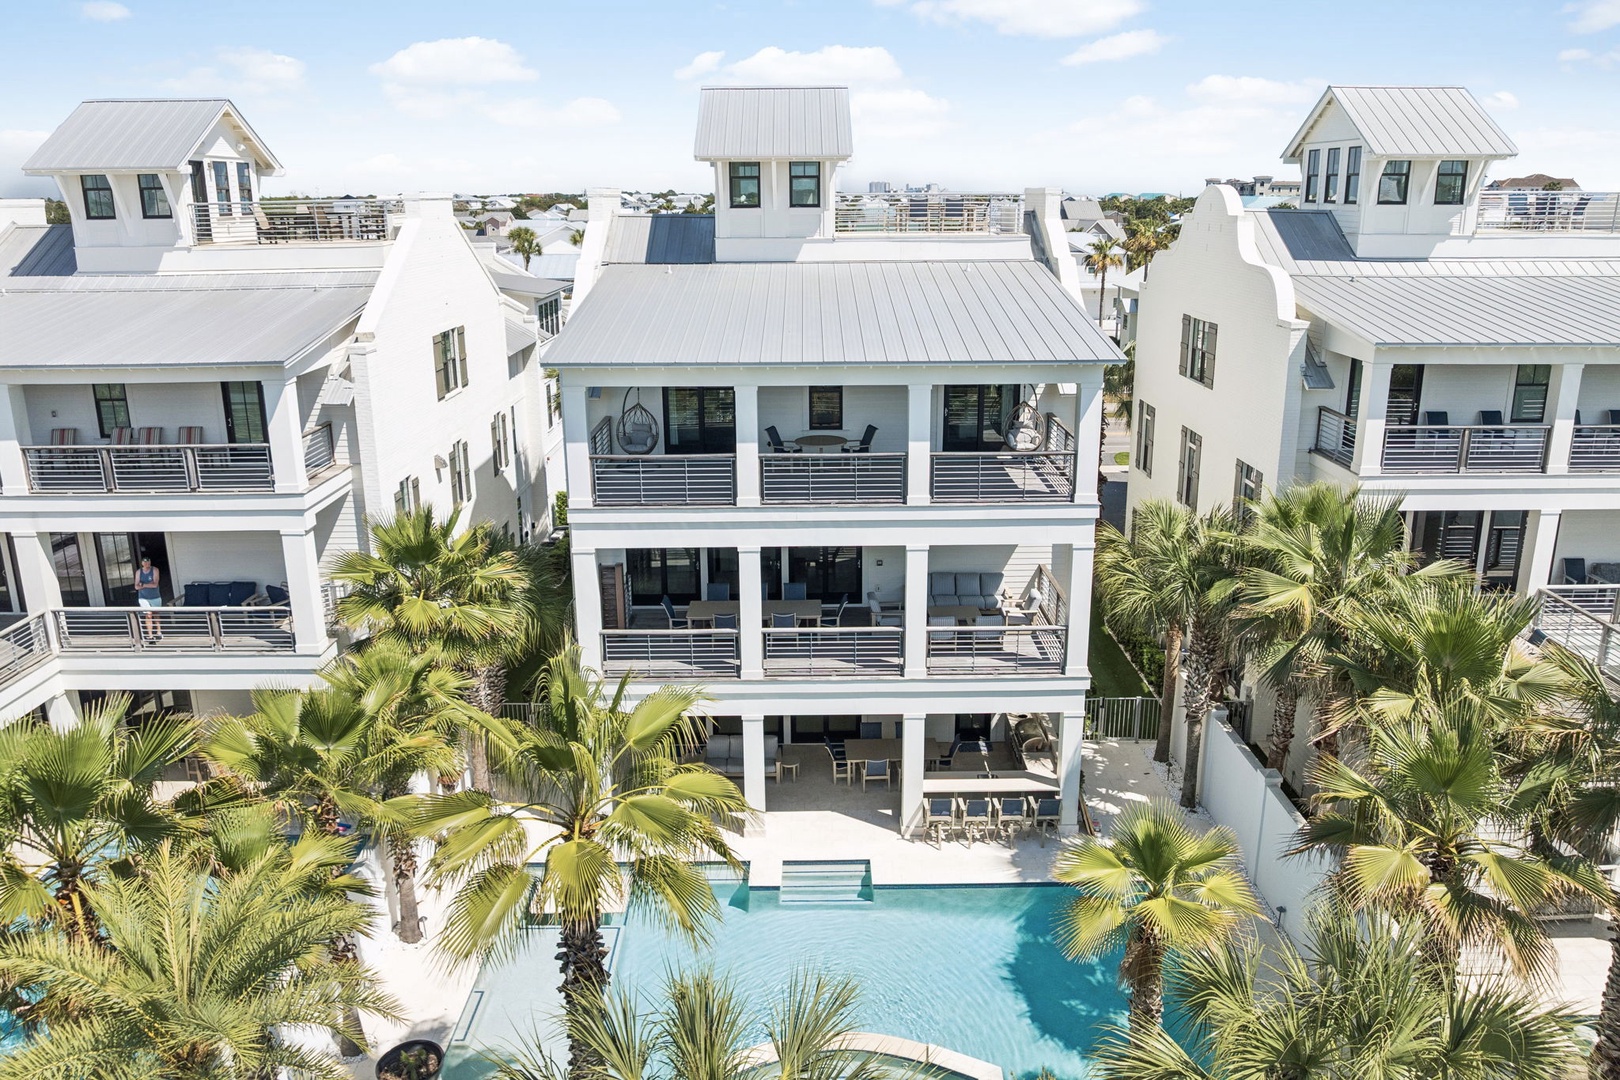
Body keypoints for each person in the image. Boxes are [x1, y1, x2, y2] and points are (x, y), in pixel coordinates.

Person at [135, 557, 162, 642]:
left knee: (156, 614)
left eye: (148, 562)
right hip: (143, 597)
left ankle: (159, 632)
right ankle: (150, 635)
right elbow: (136, 586)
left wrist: (142, 585)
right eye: (145, 562)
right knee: (148, 614)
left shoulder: (155, 570)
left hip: (155, 596)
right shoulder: (139, 572)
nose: (146, 564)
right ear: (142, 563)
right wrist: (147, 584)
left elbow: (155, 584)